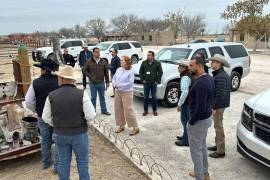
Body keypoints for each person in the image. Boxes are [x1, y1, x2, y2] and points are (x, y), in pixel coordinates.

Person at [42, 66, 96, 180]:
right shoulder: (82, 94)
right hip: (79, 134)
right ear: (72, 79)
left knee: (63, 162)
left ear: (61, 79)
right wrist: (85, 124)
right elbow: (91, 115)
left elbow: (45, 117)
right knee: (82, 162)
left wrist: (57, 124)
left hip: (60, 134)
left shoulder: (51, 96)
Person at [25, 59, 59, 172]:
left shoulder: (35, 82)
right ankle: (58, 165)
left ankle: (46, 162)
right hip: (57, 116)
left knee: (45, 139)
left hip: (42, 116)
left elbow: (28, 101)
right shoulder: (59, 81)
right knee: (58, 139)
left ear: (43, 70)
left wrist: (36, 110)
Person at [187, 56, 214, 180]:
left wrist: (191, 122)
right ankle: (204, 173)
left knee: (196, 151)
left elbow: (200, 108)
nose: (189, 67)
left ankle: (200, 176)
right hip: (206, 119)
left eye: (191, 65)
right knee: (202, 147)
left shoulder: (201, 83)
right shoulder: (208, 77)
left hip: (199, 121)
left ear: (199, 65)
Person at [207, 54, 231, 158]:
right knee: (217, 126)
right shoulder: (218, 74)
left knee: (218, 127)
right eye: (212, 61)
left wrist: (214, 107)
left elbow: (220, 94)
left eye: (214, 62)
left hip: (219, 105)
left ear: (219, 64)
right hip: (218, 105)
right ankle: (217, 146)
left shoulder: (221, 76)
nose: (212, 63)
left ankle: (221, 151)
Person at [112, 56, 139, 136]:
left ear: (127, 62)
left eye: (122, 60)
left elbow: (130, 83)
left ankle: (135, 127)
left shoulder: (131, 71)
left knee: (128, 110)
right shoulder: (118, 69)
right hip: (118, 92)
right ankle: (121, 125)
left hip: (127, 92)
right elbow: (113, 79)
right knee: (118, 108)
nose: (120, 61)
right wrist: (114, 84)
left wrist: (120, 85)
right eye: (120, 60)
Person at [83, 47, 111, 115]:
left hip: (101, 83)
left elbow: (106, 73)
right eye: (96, 52)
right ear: (93, 53)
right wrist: (90, 76)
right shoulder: (89, 61)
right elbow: (84, 70)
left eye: (98, 52)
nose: (98, 53)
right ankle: (93, 111)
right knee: (93, 98)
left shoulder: (103, 61)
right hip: (92, 83)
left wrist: (107, 82)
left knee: (102, 97)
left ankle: (104, 110)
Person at [139, 51, 163, 116]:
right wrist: (142, 80)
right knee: (145, 97)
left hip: (153, 84)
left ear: (153, 56)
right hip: (146, 83)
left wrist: (157, 81)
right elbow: (140, 72)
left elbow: (160, 72)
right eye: (147, 55)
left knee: (154, 97)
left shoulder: (157, 63)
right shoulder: (144, 63)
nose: (148, 56)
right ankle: (145, 110)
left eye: (149, 55)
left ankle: (154, 110)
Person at [175, 60, 192, 147]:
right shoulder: (186, 75)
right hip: (187, 103)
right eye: (179, 66)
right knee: (184, 121)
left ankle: (186, 140)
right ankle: (185, 136)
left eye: (180, 66)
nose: (178, 68)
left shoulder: (185, 77)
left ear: (184, 68)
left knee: (185, 121)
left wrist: (179, 104)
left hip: (186, 103)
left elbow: (185, 92)